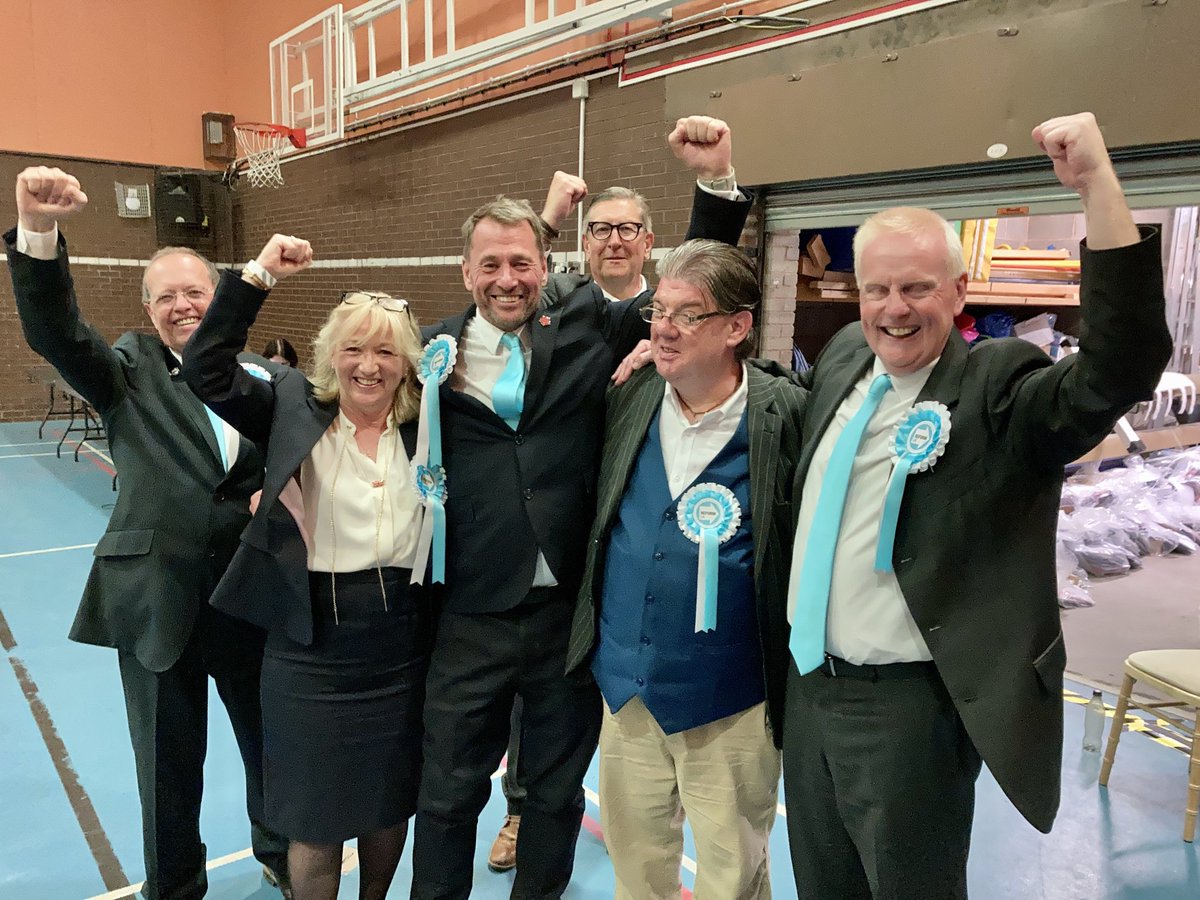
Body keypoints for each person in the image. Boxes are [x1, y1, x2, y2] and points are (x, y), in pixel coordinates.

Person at [780, 112, 1172, 899]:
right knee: (823, 885)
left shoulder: (999, 386)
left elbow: (1118, 365)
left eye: (918, 288)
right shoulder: (846, 358)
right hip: (807, 691)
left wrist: (1098, 182)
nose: (894, 308)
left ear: (958, 291)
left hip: (907, 711)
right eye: (878, 288)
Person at [408, 116, 753, 900]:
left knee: (555, 794)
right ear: (465, 273)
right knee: (449, 793)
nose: (507, 279)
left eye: (522, 263)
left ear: (546, 269)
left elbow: (688, 294)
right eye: (490, 264)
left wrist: (715, 185)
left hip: (569, 615)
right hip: (467, 613)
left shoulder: (595, 327)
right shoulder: (427, 355)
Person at [5, 168, 290, 899]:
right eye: (165, 296)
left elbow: (294, 460)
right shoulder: (125, 370)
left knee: (272, 746)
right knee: (166, 763)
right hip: (159, 601)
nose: (181, 306)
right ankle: (174, 886)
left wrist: (274, 487)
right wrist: (38, 233)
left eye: (194, 291)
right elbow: (54, 329)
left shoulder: (256, 375)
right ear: (147, 310)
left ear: (220, 295)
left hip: (247, 598)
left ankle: (280, 851)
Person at [181, 238, 435, 900]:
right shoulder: (292, 401)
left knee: (388, 805)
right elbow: (205, 367)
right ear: (331, 355)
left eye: (386, 350)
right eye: (354, 349)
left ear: (408, 362)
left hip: (400, 639)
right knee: (314, 823)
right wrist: (257, 276)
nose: (370, 366)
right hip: (310, 644)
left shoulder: (430, 423)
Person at [566, 239, 806, 898]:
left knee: (734, 875)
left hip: (733, 699)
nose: (665, 328)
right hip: (628, 691)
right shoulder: (629, 399)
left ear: (737, 327)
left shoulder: (784, 417)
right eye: (658, 311)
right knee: (637, 868)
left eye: (688, 314)